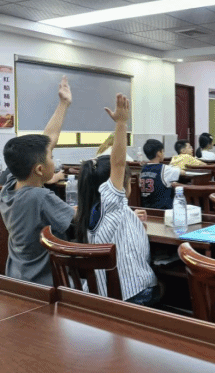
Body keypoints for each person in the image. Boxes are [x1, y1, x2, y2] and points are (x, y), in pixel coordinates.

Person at [74, 94, 160, 305]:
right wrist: (121, 123)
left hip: (103, 294)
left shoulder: (96, 210)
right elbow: (119, 164)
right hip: (132, 294)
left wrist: (132, 218)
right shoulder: (111, 203)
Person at [0, 76, 75, 285]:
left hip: (17, 276)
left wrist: (63, 104)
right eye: (52, 157)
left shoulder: (9, 187)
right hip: (44, 284)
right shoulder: (39, 197)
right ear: (40, 169)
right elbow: (76, 217)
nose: (53, 159)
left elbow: (47, 142)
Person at [140, 139, 183, 209]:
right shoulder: (164, 169)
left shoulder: (143, 169)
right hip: (163, 210)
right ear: (159, 153)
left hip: (147, 209)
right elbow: (182, 172)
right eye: (163, 151)